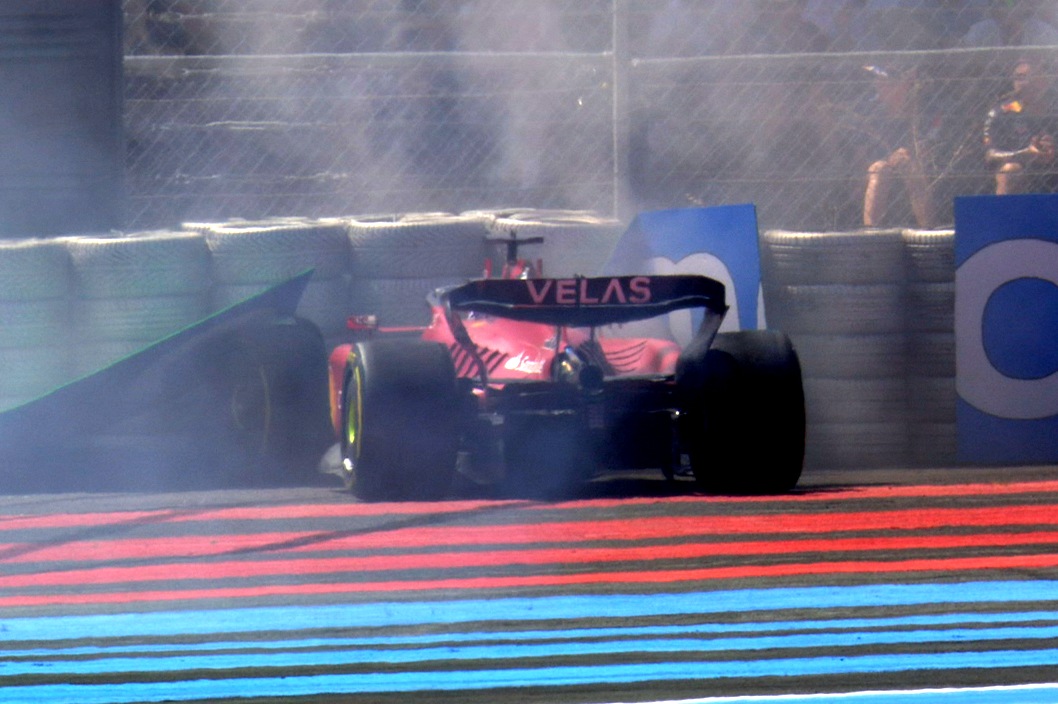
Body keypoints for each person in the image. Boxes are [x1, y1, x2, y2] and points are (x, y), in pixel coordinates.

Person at [862, 65, 943, 227]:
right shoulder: (869, 112)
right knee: (880, 169)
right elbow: (861, 158)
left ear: (906, 84)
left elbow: (931, 150)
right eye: (878, 80)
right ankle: (871, 234)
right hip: (878, 171)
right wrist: (889, 160)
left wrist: (907, 158)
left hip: (916, 168)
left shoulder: (927, 111)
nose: (878, 84)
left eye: (887, 81)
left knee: (910, 167)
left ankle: (929, 233)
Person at [983, 58, 1058, 194]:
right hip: (1022, 172)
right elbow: (990, 155)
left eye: (1032, 77)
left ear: (1046, 81)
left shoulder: (1054, 109)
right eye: (1019, 77)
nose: (1026, 83)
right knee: (1011, 170)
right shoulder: (1001, 112)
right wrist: (1026, 154)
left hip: (1054, 171)